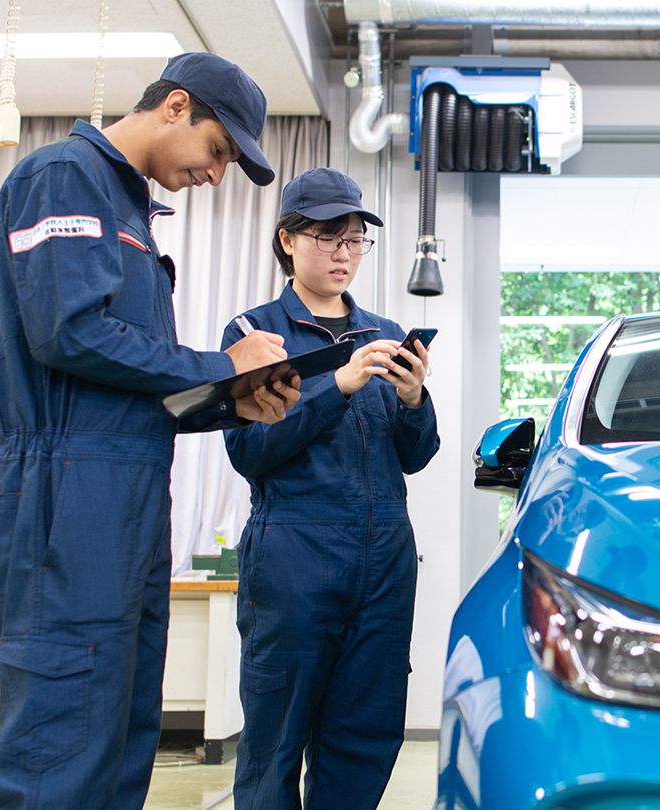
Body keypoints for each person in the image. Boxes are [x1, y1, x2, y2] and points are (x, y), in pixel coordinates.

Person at [0, 52, 300, 810]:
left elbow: (125, 386)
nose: (217, 176)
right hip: (63, 497)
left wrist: (230, 398)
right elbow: (68, 334)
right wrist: (220, 362)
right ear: (176, 107)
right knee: (61, 743)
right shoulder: (63, 177)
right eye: (219, 151)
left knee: (121, 734)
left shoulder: (130, 210)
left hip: (126, 499)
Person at [221, 167, 441, 810]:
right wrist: (337, 386)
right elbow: (250, 450)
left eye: (355, 241)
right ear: (288, 239)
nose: (344, 254)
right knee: (276, 735)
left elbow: (418, 456)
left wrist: (411, 397)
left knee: (366, 730)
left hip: (384, 560)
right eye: (328, 238)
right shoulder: (254, 334)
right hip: (294, 552)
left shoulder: (383, 332)